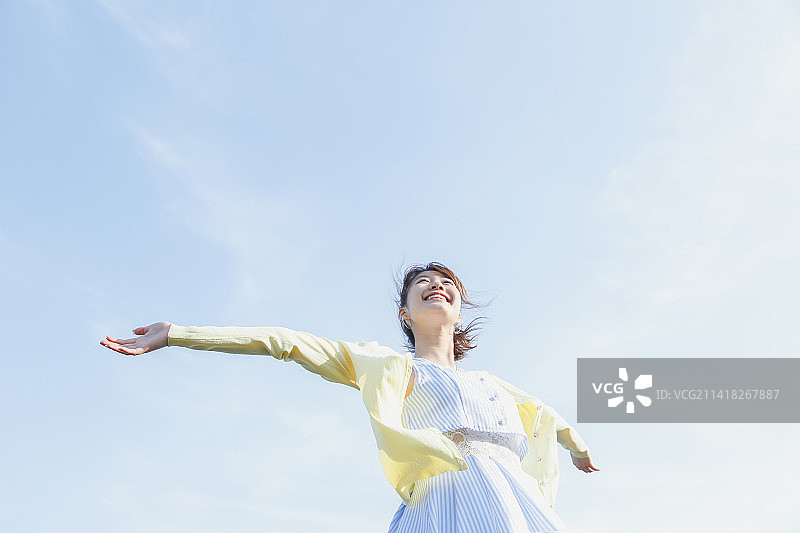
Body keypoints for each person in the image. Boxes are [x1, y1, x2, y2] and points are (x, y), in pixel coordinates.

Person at [101, 262, 599, 532]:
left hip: (516, 501)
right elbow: (285, 342)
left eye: (446, 283)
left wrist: (577, 448)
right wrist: (179, 334)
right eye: (423, 284)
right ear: (405, 314)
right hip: (448, 499)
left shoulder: (494, 384)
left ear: (459, 308)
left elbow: (547, 418)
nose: (436, 286)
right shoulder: (388, 365)